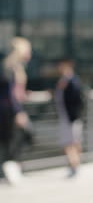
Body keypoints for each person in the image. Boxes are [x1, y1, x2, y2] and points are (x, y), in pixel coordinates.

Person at [0, 37, 33, 185]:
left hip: (13, 109)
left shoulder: (16, 67)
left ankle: (12, 169)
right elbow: (9, 93)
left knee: (16, 139)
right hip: (10, 111)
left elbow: (15, 92)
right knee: (13, 140)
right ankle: (9, 170)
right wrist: (17, 112)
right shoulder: (10, 67)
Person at [54, 58, 84, 178]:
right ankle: (74, 166)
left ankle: (74, 166)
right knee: (73, 142)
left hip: (71, 118)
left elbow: (77, 99)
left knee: (71, 142)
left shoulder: (73, 81)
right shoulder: (63, 81)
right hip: (67, 117)